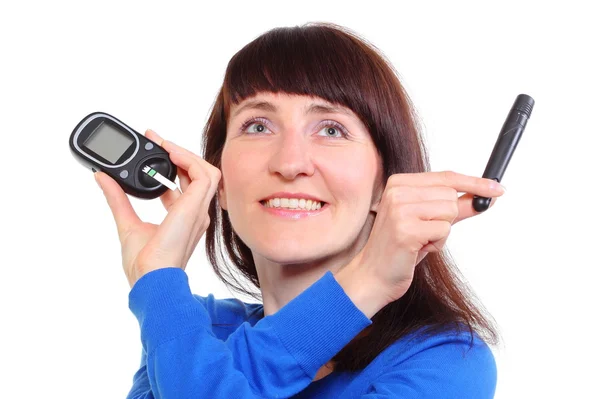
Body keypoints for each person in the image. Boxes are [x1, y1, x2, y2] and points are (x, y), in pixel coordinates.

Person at [94, 22, 504, 398]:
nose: (290, 163)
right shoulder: (194, 328)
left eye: (331, 129)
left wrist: (370, 283)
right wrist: (160, 282)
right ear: (218, 180)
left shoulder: (444, 362)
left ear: (385, 184)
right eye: (258, 126)